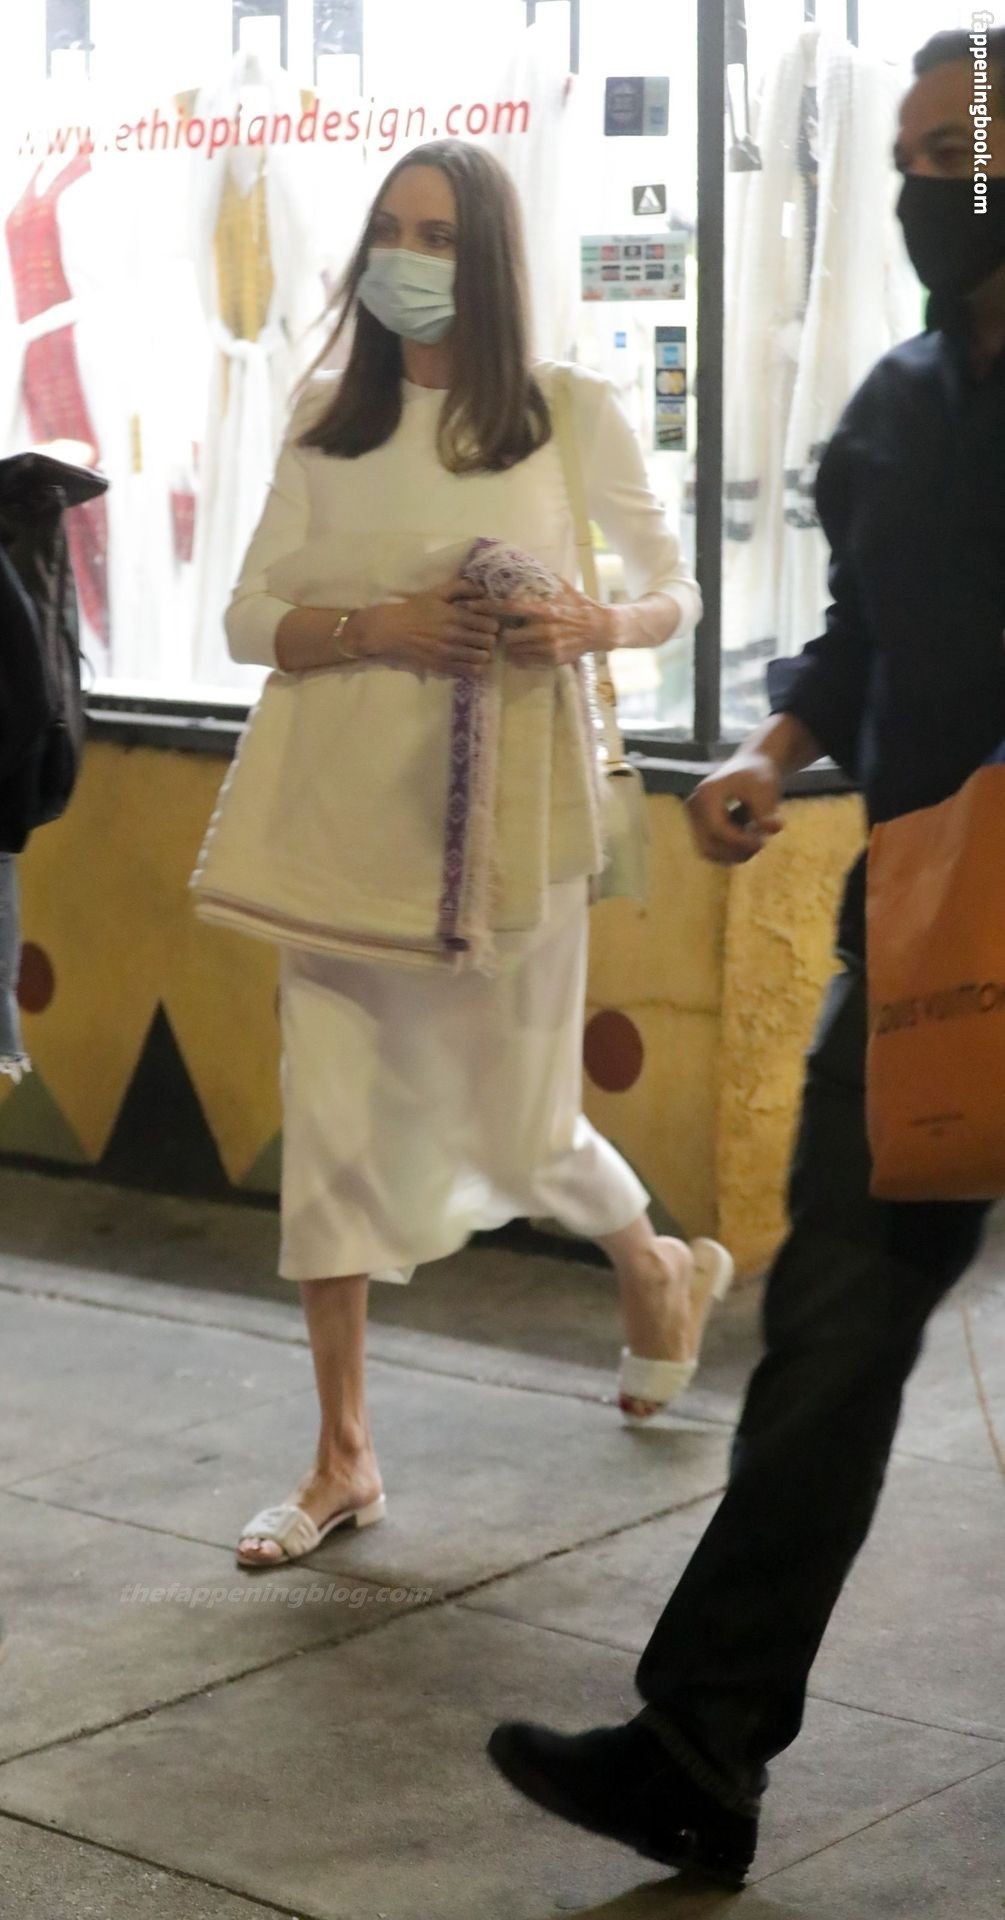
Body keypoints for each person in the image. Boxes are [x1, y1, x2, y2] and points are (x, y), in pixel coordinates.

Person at [488, 28, 1005, 1887]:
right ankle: (699, 1747)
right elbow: (859, 640)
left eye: (958, 150)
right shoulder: (897, 405)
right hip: (932, 948)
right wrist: (769, 759)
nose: (928, 182)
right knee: (830, 1336)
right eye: (911, 152)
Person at [211, 141, 732, 1570]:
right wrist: (371, 629)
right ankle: (343, 1457)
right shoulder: (324, 416)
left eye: (438, 236)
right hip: (334, 825)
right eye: (390, 230)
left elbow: (673, 587)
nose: (406, 258)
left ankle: (653, 1262)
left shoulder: (568, 414)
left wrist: (598, 624)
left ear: (489, 259)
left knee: (520, 1124)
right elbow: (247, 619)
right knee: (328, 1126)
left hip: (515, 823)